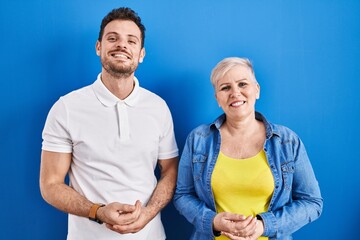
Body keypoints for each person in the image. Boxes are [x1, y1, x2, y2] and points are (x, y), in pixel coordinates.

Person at [39, 7, 179, 240]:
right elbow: (50, 184)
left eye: (131, 41)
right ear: (98, 47)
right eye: (112, 38)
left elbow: (170, 170)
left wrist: (149, 213)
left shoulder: (158, 107)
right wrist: (98, 212)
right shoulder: (66, 107)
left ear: (141, 53)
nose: (121, 45)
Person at [173, 57, 323, 240]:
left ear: (257, 90)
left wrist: (264, 226)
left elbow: (312, 203)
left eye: (242, 84)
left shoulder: (287, 141)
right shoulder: (198, 140)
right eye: (225, 87)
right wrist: (213, 221)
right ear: (217, 98)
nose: (235, 93)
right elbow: (182, 195)